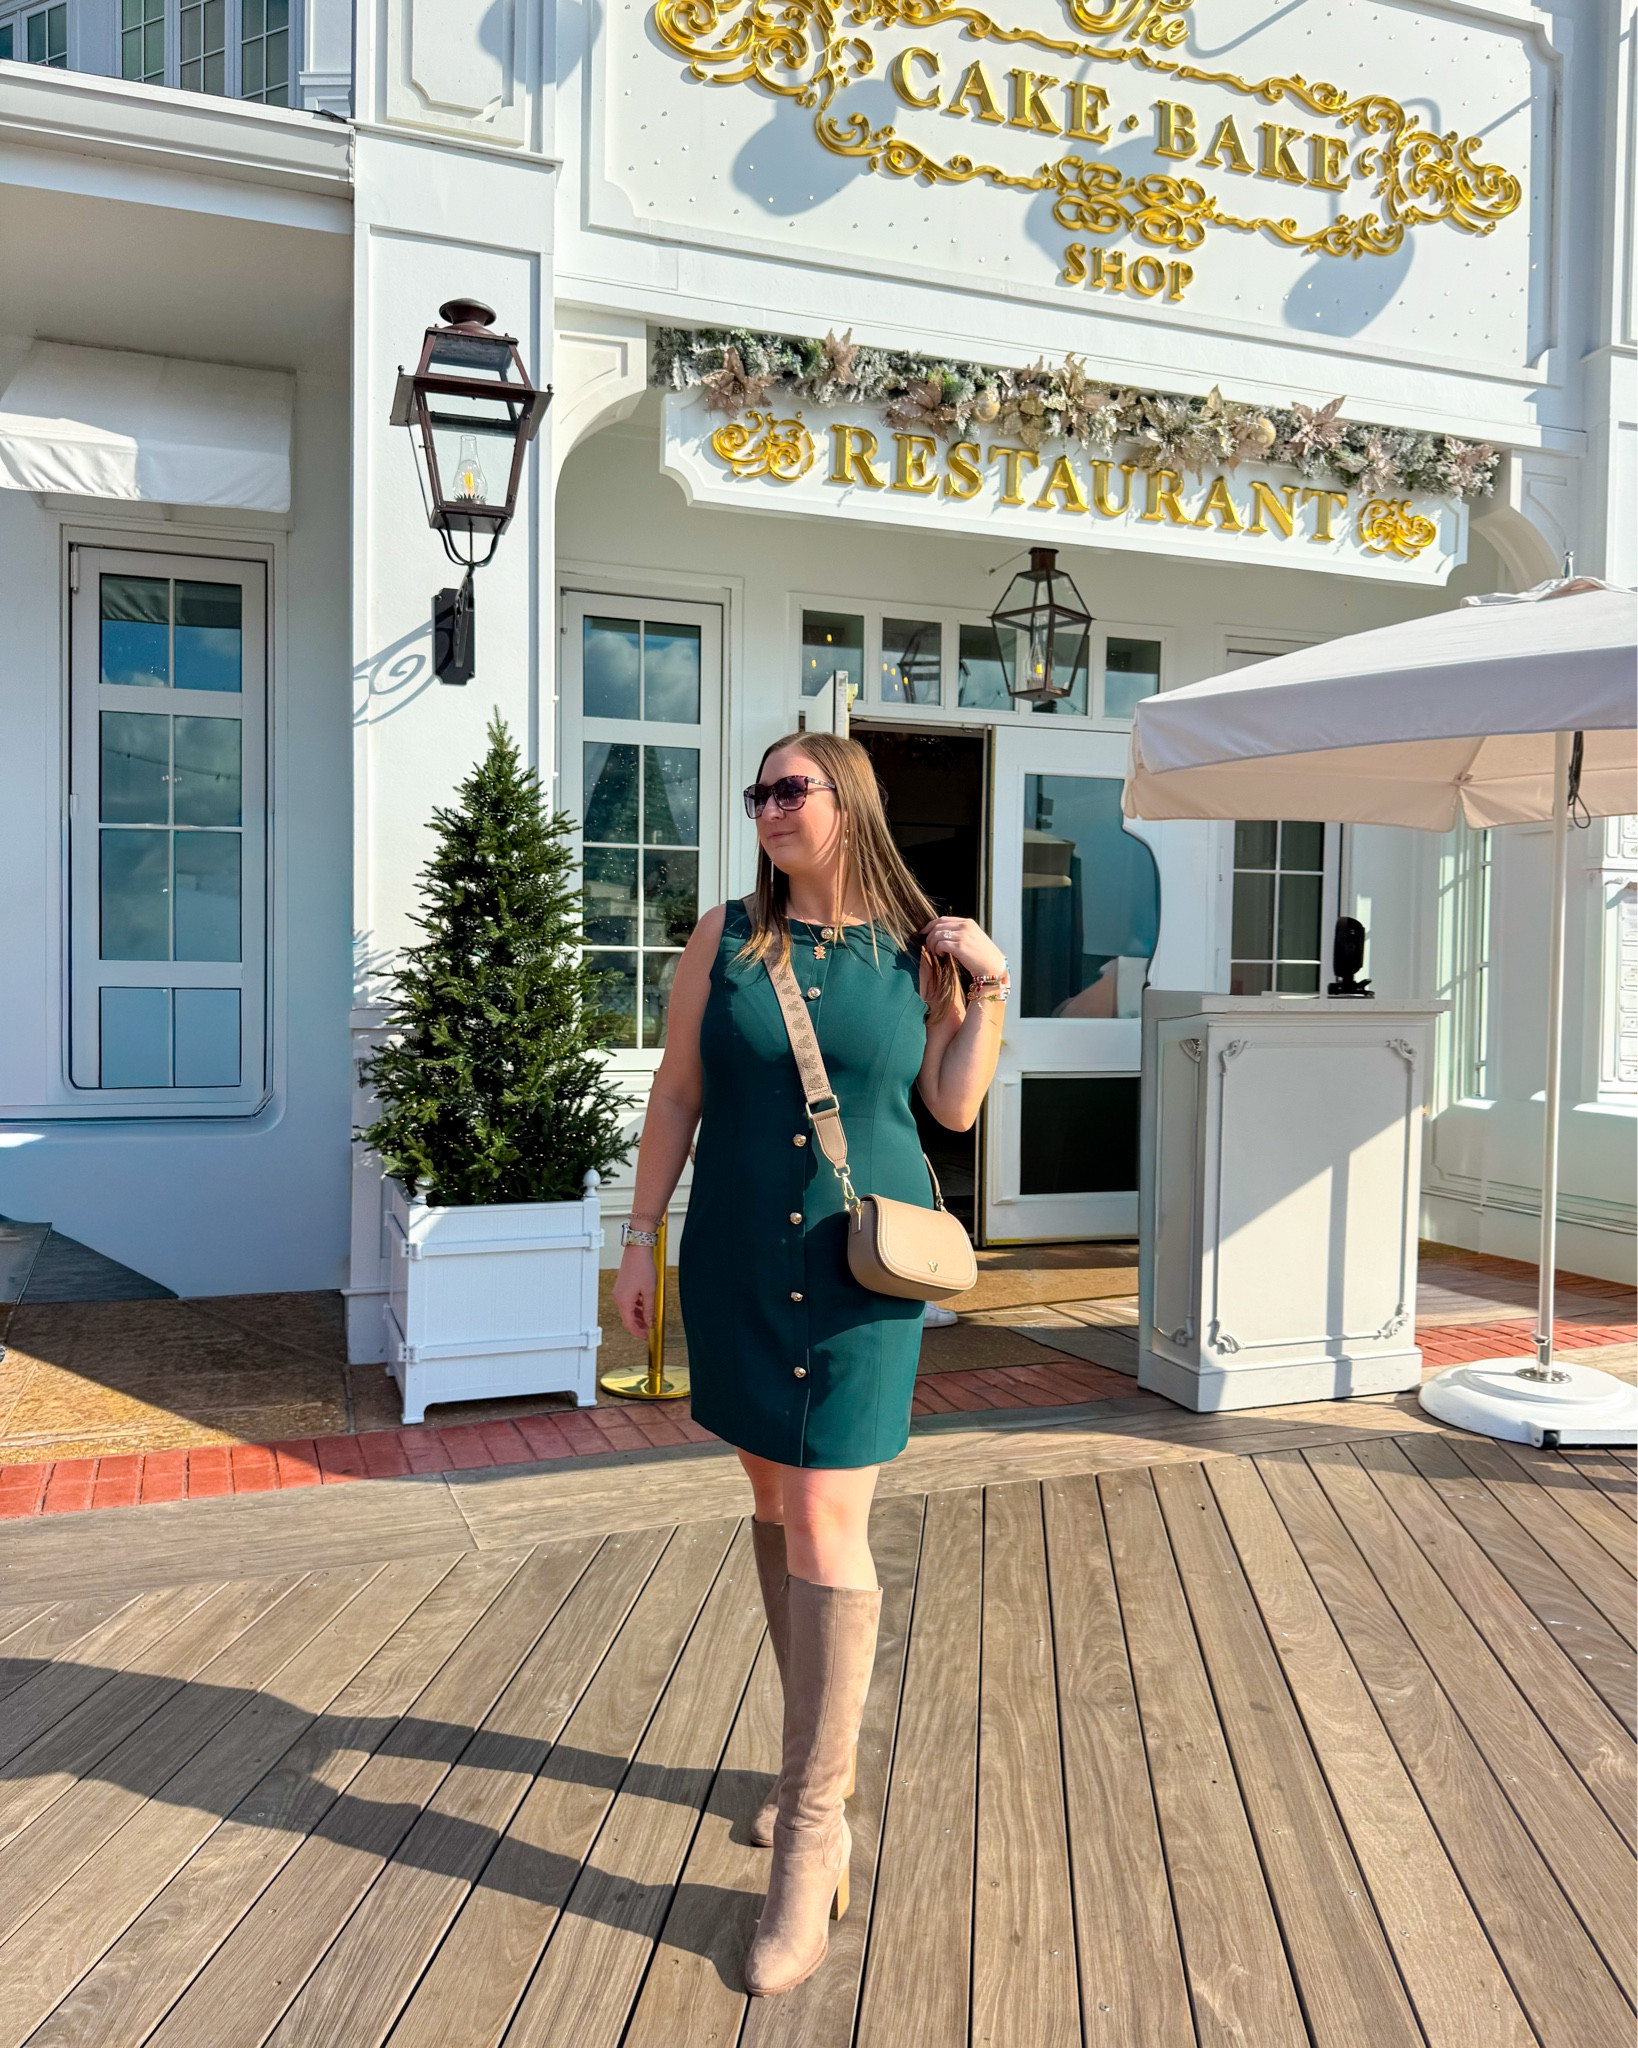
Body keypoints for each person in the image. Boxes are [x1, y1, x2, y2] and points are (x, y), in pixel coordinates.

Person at [613, 730, 1008, 1997]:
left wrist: (990, 994)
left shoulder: (920, 947)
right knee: (773, 1502)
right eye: (759, 793)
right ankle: (805, 1786)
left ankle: (811, 1839)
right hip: (733, 1252)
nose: (770, 809)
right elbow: (678, 1089)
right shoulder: (725, 933)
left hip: (859, 1266)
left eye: (792, 790)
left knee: (831, 1515)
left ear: (851, 802)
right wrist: (640, 1238)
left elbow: (950, 1105)